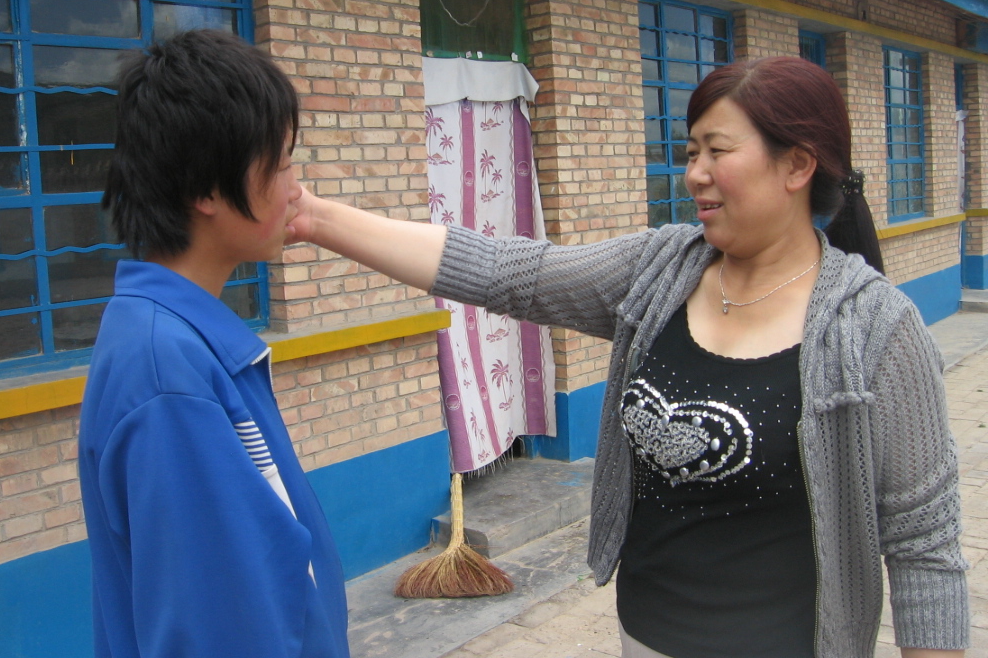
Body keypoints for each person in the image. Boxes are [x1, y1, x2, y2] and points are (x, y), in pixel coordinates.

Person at [286, 56, 968, 657]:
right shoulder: (660, 270)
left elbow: (924, 549)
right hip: (644, 634)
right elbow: (503, 271)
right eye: (690, 151)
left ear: (797, 164)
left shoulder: (875, 328)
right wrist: (314, 218)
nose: (694, 174)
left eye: (717, 151)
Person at [78, 30, 349, 658]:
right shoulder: (166, 376)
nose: (296, 189)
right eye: (281, 163)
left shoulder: (175, 340)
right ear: (205, 189)